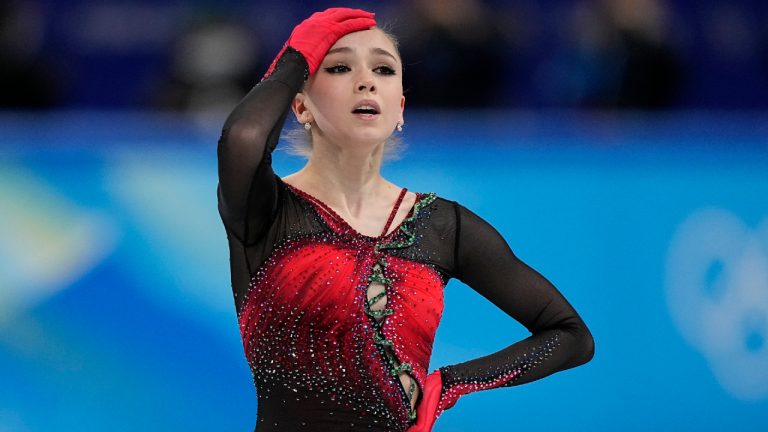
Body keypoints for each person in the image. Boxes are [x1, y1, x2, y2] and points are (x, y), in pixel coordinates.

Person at [217, 7, 594, 432]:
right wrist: (297, 56)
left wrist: (450, 384)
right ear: (300, 106)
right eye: (339, 67)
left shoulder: (441, 226)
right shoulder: (266, 209)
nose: (366, 80)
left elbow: (570, 335)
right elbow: (243, 138)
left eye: (382, 68)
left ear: (399, 108)